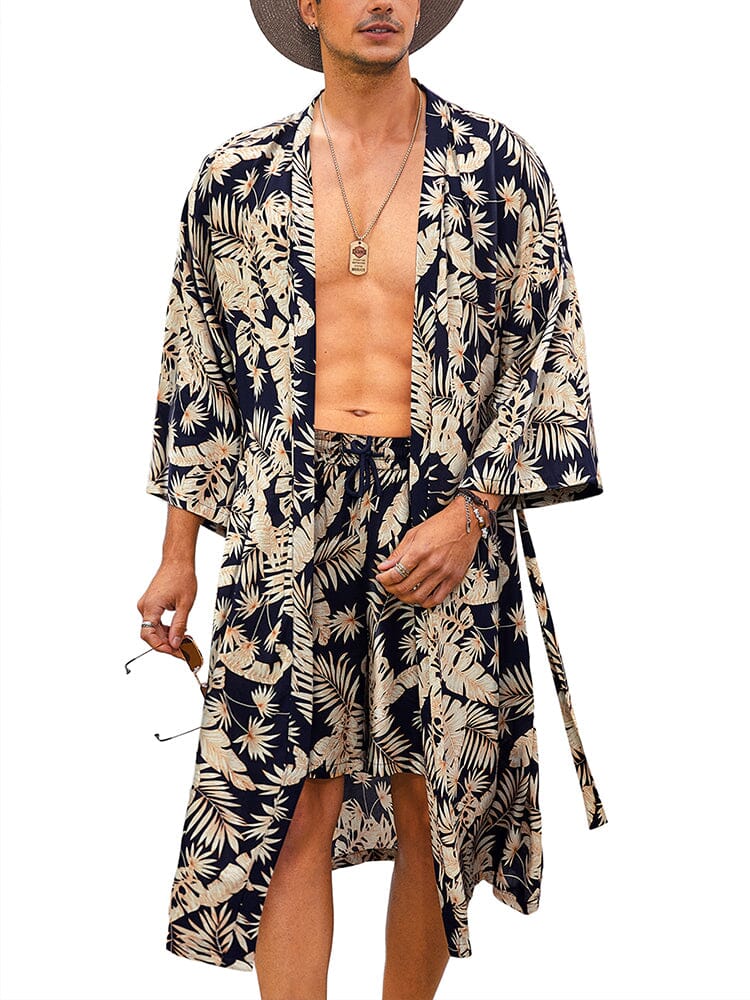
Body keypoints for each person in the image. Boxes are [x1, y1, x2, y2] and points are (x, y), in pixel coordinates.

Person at [137, 1, 609, 997]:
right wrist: (178, 554)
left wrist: (474, 511)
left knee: (433, 799)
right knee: (288, 802)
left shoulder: (495, 167)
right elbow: (197, 372)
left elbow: (545, 351)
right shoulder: (238, 177)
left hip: (444, 519)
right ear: (309, 6)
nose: (383, 1)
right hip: (285, 526)